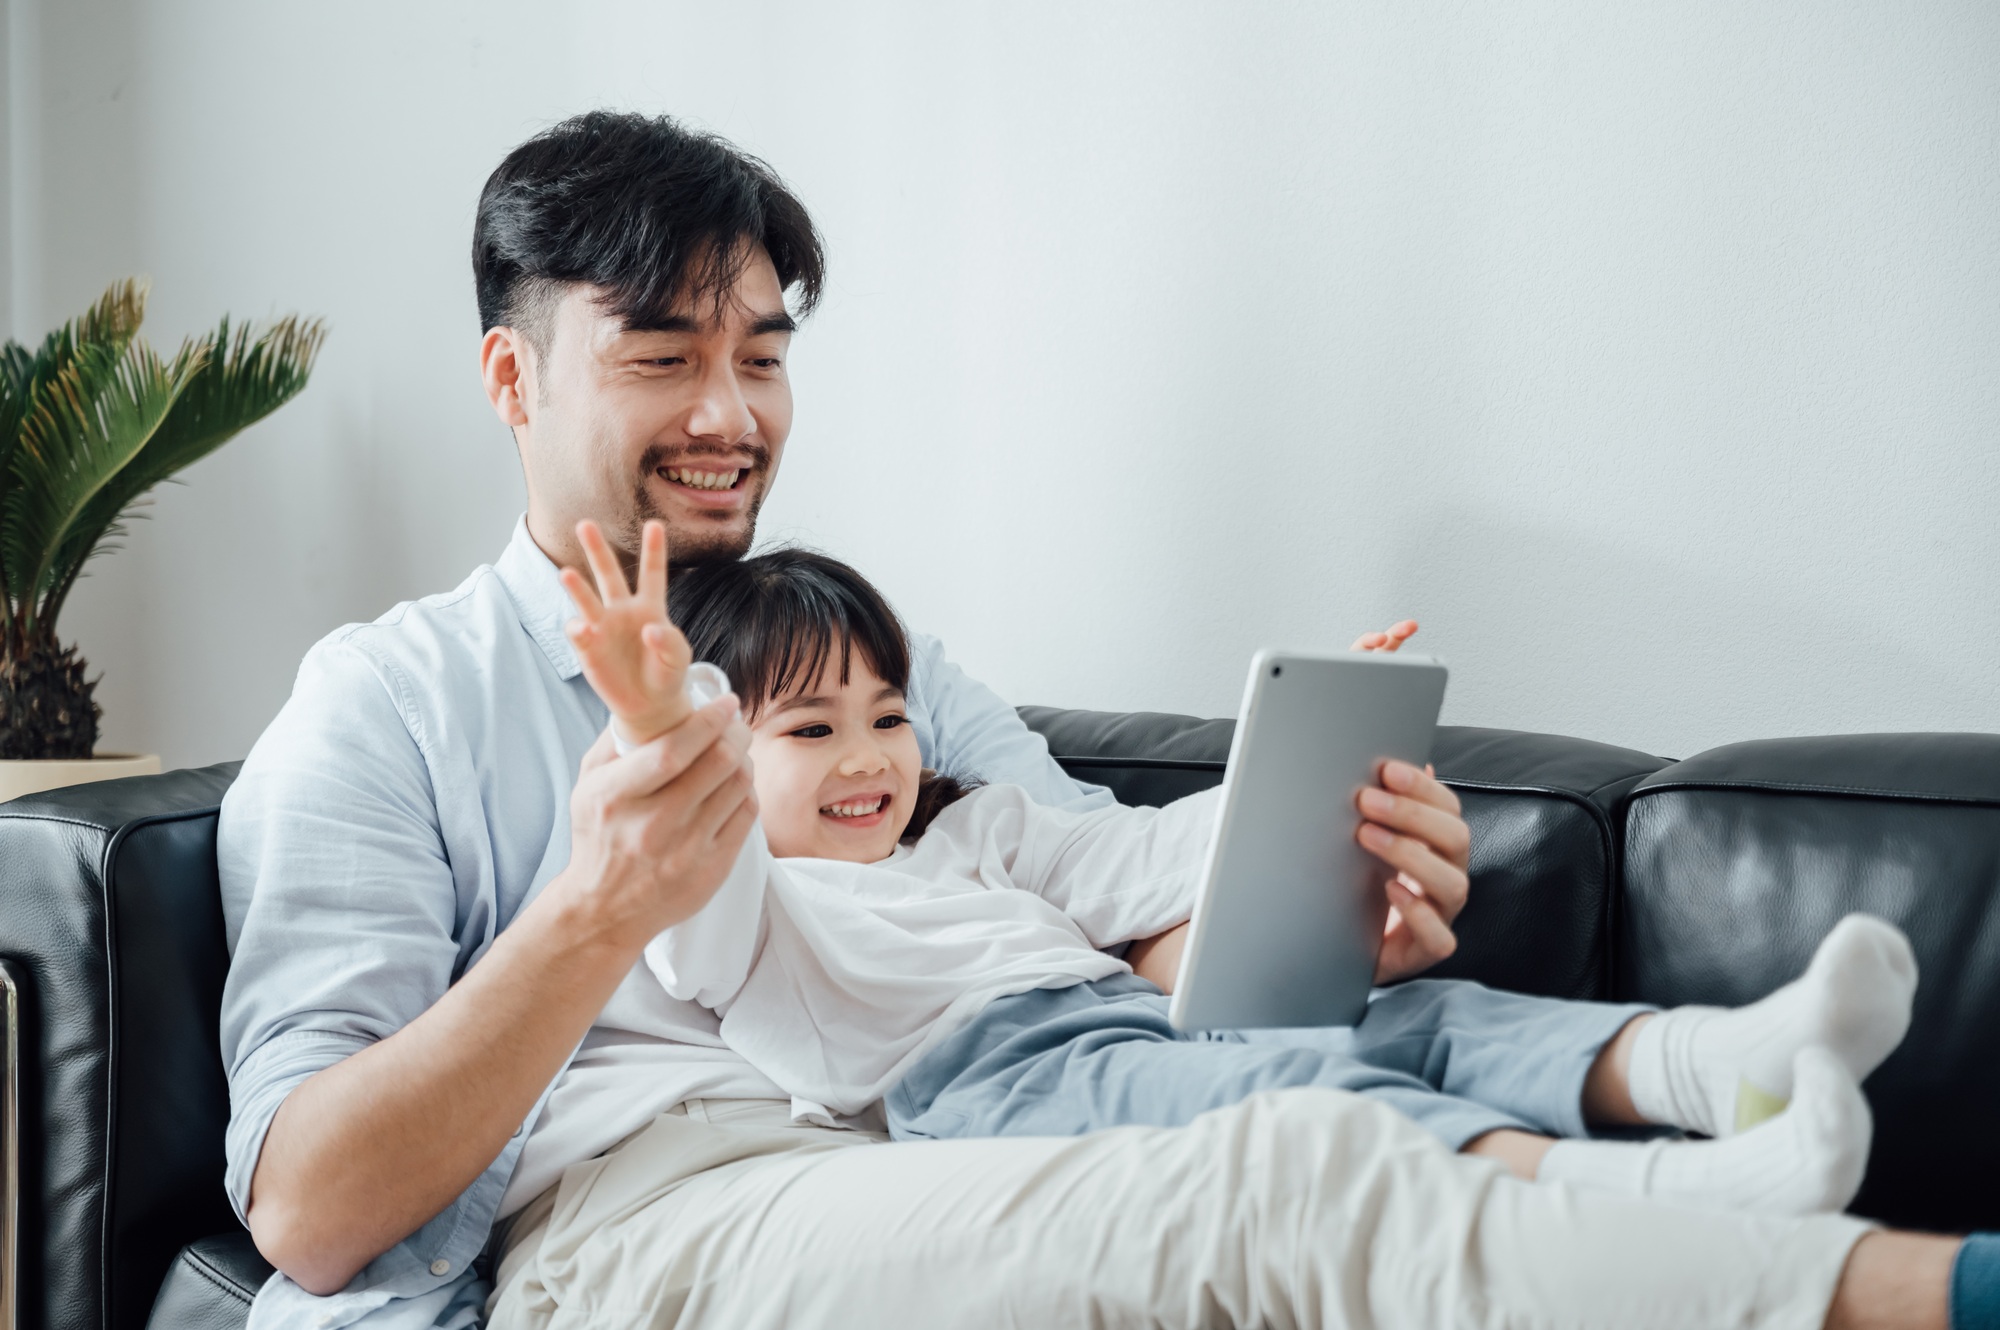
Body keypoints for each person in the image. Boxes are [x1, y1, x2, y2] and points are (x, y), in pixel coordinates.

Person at [217, 108, 1994, 1330]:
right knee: (1285, 1182)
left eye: (761, 353)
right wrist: (589, 912)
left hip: (970, 1118)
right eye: (665, 351)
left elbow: (1096, 917)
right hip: (656, 1203)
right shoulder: (385, 706)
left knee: (1336, 1092)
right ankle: (1933, 1290)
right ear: (512, 374)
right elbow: (307, 1202)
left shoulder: (881, 665)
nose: (731, 410)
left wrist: (1328, 912)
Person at [558, 526, 1906, 1219]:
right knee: (1304, 1090)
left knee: (1413, 1015)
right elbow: (695, 903)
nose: (868, 756)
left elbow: (1141, 852)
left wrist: (1301, 760)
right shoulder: (758, 909)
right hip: (993, 1083)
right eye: (811, 727)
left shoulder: (970, 836)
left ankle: (1731, 1059)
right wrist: (658, 724)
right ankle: (1659, 1198)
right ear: (733, 748)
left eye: (887, 713)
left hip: (1134, 1014)